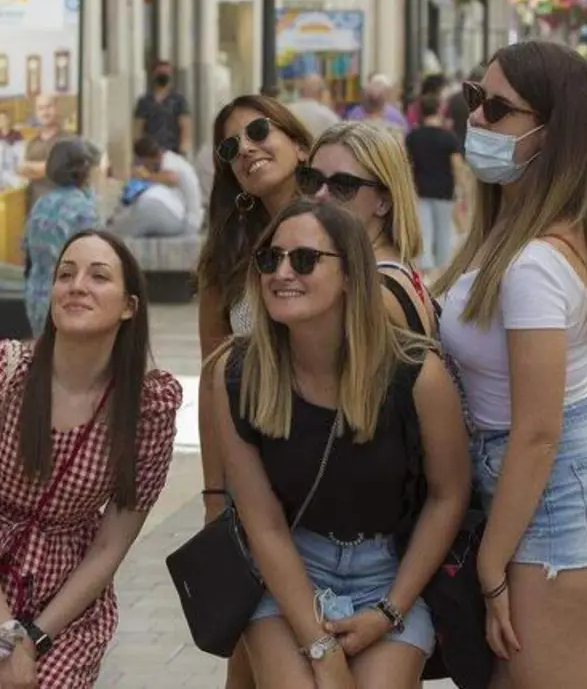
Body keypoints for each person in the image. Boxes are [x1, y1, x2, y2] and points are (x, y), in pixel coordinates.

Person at [431, 40, 587, 686]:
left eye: (499, 108)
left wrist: (490, 566)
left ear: (550, 133)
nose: (476, 117)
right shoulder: (508, 235)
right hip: (535, 492)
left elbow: (538, 430)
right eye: (475, 97)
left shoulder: (534, 264)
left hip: (557, 500)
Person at [0, 229, 183, 688]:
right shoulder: (1, 372)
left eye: (98, 276)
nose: (77, 286)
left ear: (129, 306)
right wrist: (5, 636)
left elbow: (110, 546)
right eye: (65, 274)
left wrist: (34, 639)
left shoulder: (148, 408)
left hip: (64, 600)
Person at [211, 199, 470, 687]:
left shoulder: (416, 374)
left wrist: (390, 608)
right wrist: (320, 646)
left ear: (351, 274)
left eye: (304, 259)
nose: (282, 273)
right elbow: (262, 522)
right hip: (289, 568)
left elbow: (448, 494)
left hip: (389, 572)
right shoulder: (238, 372)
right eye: (270, 259)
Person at [195, 94, 314, 689]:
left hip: (334, 480)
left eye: (259, 131)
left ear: (300, 143)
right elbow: (212, 378)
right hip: (253, 478)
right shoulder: (227, 252)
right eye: (229, 147)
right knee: (250, 660)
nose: (245, 149)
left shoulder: (344, 231)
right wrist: (215, 495)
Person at [304, 120, 432, 335]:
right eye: (312, 180)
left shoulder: (374, 292)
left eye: (342, 185)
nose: (320, 194)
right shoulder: (370, 270)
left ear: (384, 202)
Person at [24, 138, 102, 336]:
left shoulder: (41, 203)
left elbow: (26, 250)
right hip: (70, 299)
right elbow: (96, 258)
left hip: (36, 295)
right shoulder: (83, 209)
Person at [405, 95, 464, 277]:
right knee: (443, 229)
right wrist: (460, 188)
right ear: (439, 110)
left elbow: (407, 164)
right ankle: (442, 269)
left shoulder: (413, 137)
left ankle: (426, 270)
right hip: (444, 190)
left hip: (420, 189)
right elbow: (456, 165)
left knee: (424, 230)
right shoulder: (448, 138)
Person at [108, 135, 204, 238]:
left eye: (144, 164)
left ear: (147, 159)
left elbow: (171, 179)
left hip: (188, 220)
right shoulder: (171, 161)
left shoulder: (169, 161)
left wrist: (144, 176)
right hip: (183, 217)